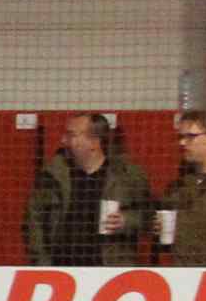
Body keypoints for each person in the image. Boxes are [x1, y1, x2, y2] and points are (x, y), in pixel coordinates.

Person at [23, 113, 153, 268]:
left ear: (94, 142)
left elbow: (150, 216)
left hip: (109, 270)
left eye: (71, 135)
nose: (63, 140)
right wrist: (42, 263)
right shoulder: (52, 176)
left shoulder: (127, 176)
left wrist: (126, 220)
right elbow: (33, 222)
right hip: (62, 269)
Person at [158, 109, 206, 265]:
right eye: (181, 137)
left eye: (191, 136)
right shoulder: (177, 188)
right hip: (184, 274)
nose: (182, 143)